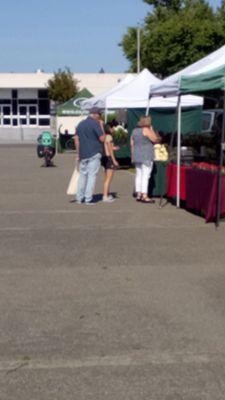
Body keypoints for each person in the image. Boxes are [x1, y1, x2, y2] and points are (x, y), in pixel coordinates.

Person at [74, 107, 105, 205]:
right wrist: (101, 127)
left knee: (82, 176)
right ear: (95, 114)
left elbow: (76, 139)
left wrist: (78, 153)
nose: (100, 117)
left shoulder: (80, 124)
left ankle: (79, 198)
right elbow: (102, 139)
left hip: (83, 154)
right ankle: (88, 199)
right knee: (92, 176)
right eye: (99, 115)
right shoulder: (96, 124)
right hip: (94, 152)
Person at [130, 116, 160, 203]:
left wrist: (132, 156)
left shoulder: (134, 131)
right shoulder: (147, 130)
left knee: (139, 175)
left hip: (137, 155)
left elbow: (132, 144)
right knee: (145, 176)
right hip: (146, 155)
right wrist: (152, 130)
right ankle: (144, 195)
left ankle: (138, 194)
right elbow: (155, 140)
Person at [101, 123, 119, 202]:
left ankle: (106, 194)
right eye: (113, 127)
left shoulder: (104, 137)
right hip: (109, 158)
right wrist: (114, 160)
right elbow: (110, 149)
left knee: (106, 178)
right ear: (109, 128)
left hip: (104, 158)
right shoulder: (109, 137)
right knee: (108, 179)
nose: (114, 129)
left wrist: (113, 147)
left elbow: (108, 147)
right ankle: (105, 196)